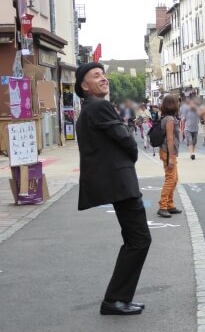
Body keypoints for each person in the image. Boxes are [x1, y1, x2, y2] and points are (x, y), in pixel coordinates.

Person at [75, 62, 151, 315]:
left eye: (103, 74)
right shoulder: (100, 106)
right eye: (96, 76)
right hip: (121, 184)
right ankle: (114, 300)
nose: (103, 78)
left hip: (116, 183)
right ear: (85, 86)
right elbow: (125, 139)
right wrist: (131, 153)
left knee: (134, 240)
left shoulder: (90, 108)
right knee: (139, 240)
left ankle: (119, 298)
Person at [157, 95, 182, 219]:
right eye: (177, 102)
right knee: (170, 179)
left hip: (167, 152)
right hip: (168, 153)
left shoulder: (166, 118)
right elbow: (170, 139)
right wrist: (171, 157)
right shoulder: (170, 120)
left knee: (174, 178)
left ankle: (170, 204)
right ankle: (163, 206)